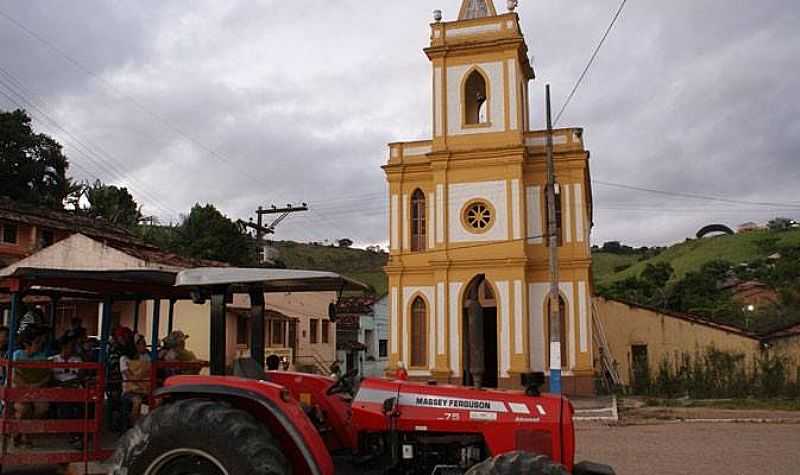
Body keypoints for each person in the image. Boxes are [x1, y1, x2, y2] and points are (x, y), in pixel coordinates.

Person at [12, 329, 51, 448]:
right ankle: (26, 435)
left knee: (43, 407)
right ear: (26, 344)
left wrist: (36, 385)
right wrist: (27, 386)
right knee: (23, 409)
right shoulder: (17, 354)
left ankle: (19, 431)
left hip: (36, 389)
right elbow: (15, 376)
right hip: (20, 389)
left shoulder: (42, 356)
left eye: (41, 343)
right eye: (37, 342)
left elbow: (47, 375)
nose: (40, 345)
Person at [50, 332, 84, 448]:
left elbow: (80, 377)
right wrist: (63, 384)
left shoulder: (77, 360)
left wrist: (69, 384)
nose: (73, 348)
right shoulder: (52, 360)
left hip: (74, 389)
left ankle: (78, 433)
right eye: (70, 346)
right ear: (63, 347)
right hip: (60, 390)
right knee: (66, 406)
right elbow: (50, 379)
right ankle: (72, 434)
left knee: (83, 406)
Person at [120, 335, 151, 428]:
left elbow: (150, 371)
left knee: (158, 400)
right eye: (141, 344)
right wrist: (141, 384)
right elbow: (129, 376)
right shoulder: (124, 358)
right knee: (137, 400)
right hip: (130, 390)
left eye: (144, 343)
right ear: (134, 346)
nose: (144, 346)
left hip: (145, 388)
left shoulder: (146, 357)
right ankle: (134, 427)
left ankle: (149, 424)